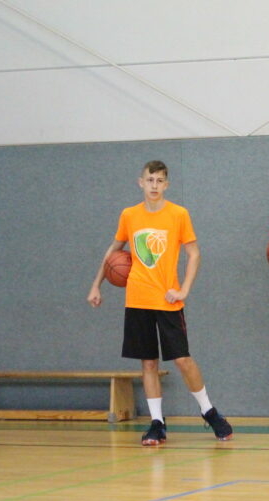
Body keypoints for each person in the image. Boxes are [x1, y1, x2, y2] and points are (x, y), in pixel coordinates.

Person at [88, 160, 233, 446]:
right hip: (137, 299)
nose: (154, 185)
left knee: (182, 359)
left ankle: (209, 411)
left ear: (166, 184)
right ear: (140, 182)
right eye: (150, 180)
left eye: (159, 180)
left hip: (167, 300)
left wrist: (184, 290)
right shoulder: (129, 215)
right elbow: (114, 251)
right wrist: (96, 284)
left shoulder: (178, 214)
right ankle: (157, 423)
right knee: (148, 362)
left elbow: (194, 253)